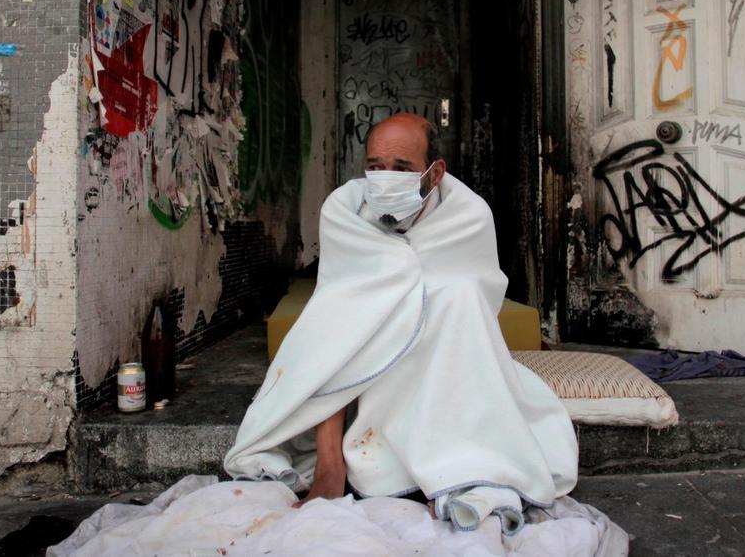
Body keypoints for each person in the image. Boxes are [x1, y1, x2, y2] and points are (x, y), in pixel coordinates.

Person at [224, 113, 580, 533]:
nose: (384, 178)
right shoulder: (344, 207)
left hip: (439, 356)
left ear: (436, 172)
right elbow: (336, 306)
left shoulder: (468, 213)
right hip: (364, 359)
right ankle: (331, 465)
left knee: (459, 299)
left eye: (402, 169)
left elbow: (479, 299)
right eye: (374, 166)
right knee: (337, 310)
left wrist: (411, 297)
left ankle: (455, 463)